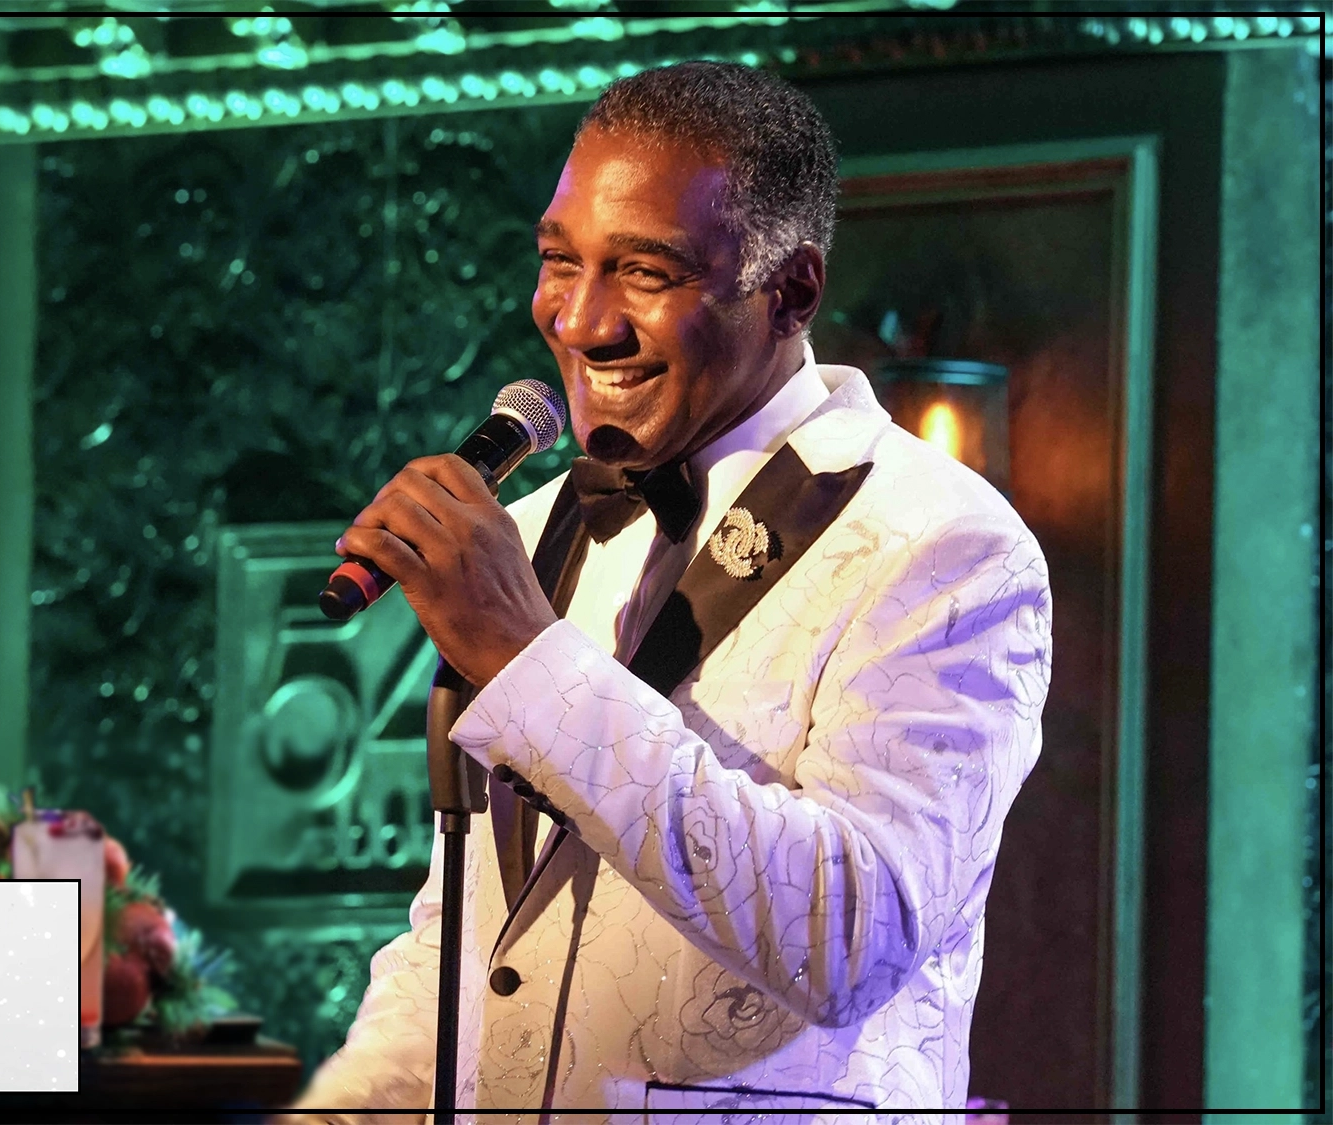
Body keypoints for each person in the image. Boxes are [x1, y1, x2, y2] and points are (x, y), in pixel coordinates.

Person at [290, 62, 1052, 1121]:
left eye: (643, 271)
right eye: (560, 262)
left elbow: (854, 936)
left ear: (791, 291)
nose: (579, 320)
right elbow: (465, 942)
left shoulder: (946, 543)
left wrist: (527, 661)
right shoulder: (533, 527)